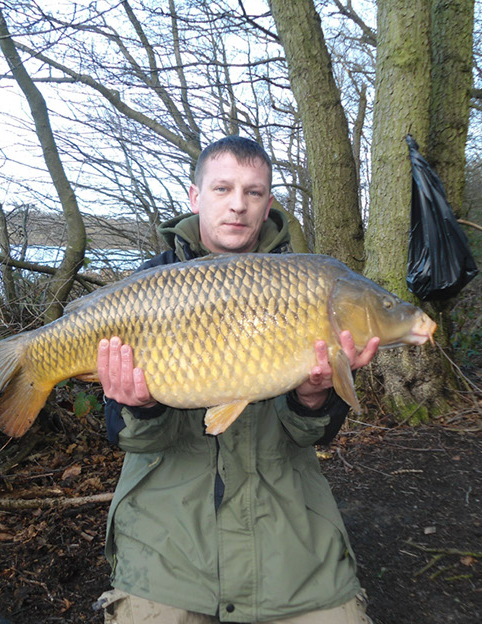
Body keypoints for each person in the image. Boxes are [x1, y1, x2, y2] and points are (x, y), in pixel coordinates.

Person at [94, 136, 379, 623]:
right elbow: (130, 438)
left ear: (268, 203)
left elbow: (317, 434)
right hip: (168, 538)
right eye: (223, 188)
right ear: (194, 195)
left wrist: (313, 398)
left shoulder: (309, 283)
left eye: (253, 192)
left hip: (289, 528)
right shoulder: (146, 287)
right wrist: (140, 406)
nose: (237, 205)